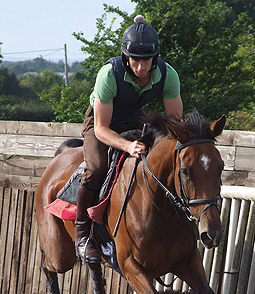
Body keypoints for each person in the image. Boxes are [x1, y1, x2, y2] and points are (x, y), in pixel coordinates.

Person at [75, 14, 183, 264]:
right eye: (135, 60)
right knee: (97, 168)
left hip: (135, 120)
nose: (141, 67)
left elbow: (176, 122)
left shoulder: (169, 75)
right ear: (126, 57)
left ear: (154, 58)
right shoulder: (108, 74)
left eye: (146, 60)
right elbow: (102, 129)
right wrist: (127, 145)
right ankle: (82, 236)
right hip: (100, 124)